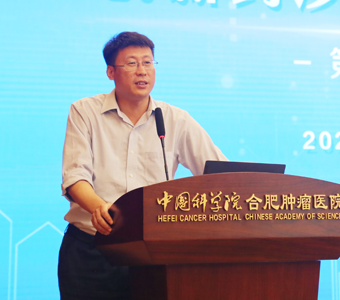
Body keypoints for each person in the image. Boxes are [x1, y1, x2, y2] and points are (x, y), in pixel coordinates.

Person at [58, 31, 227, 300]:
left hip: (154, 253)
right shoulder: (85, 111)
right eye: (132, 63)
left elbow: (219, 173)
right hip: (93, 249)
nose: (142, 71)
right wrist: (98, 207)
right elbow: (75, 175)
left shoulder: (175, 119)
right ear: (111, 72)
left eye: (148, 62)